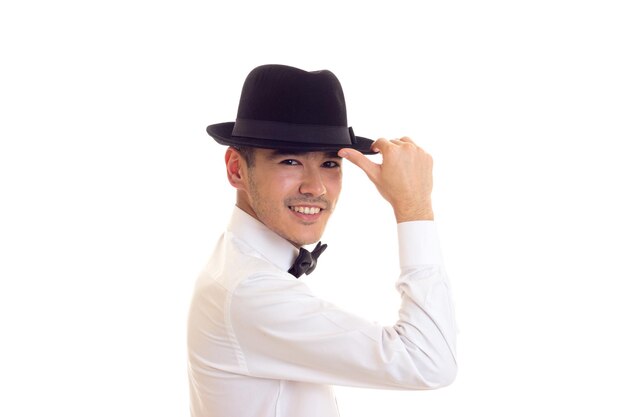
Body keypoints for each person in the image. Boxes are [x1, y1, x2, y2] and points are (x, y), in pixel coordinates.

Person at [187, 64, 457, 417]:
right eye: (290, 160)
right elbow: (429, 362)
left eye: (330, 164)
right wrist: (414, 206)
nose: (314, 187)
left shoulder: (245, 265)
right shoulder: (252, 289)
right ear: (237, 169)